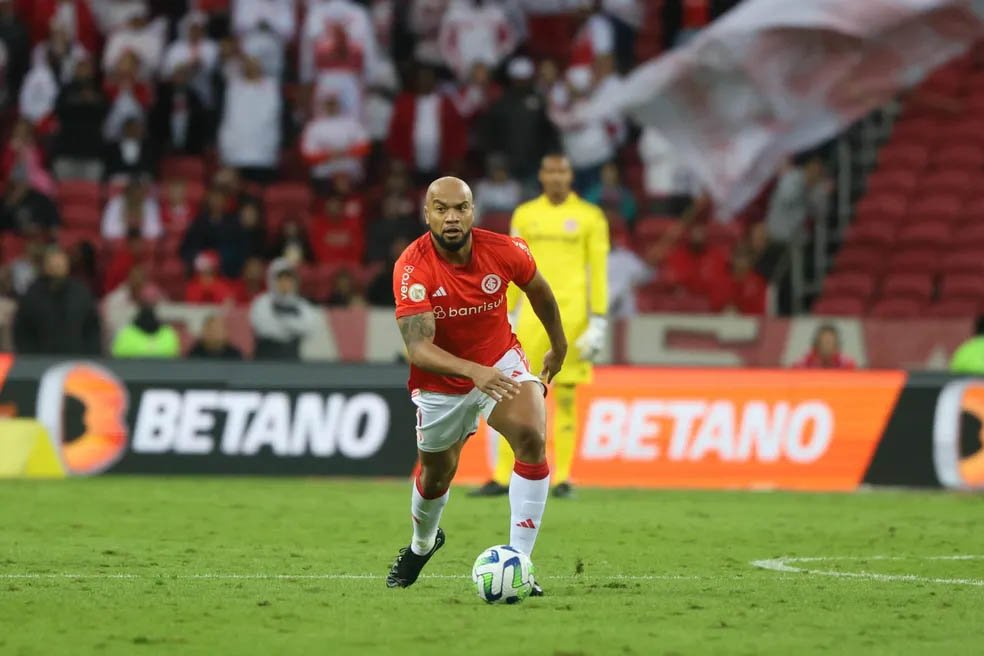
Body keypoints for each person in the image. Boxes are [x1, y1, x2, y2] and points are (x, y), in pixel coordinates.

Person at [385, 176, 566, 593]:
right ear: (426, 213)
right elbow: (418, 348)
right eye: (441, 208)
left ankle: (520, 561)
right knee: (436, 476)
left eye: (460, 208)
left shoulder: (504, 250)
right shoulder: (412, 267)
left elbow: (540, 293)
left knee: (531, 434)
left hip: (499, 360)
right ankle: (422, 543)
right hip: (440, 383)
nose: (451, 217)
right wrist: (472, 372)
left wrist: (558, 346)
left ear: (472, 211)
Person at [476, 154, 609, 499]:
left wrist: (599, 319)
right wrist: (503, 312)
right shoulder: (525, 215)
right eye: (550, 171)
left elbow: (598, 269)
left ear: (570, 175)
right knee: (512, 393)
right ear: (541, 175)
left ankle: (563, 477)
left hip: (573, 319)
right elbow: (510, 265)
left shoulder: (590, 217)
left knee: (564, 398)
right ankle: (503, 475)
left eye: (562, 171)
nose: (556, 177)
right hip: (529, 321)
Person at [13, 246, 101, 354]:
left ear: (67, 265)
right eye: (53, 262)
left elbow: (92, 329)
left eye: (61, 262)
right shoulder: (32, 295)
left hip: (76, 361)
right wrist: (31, 359)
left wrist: (91, 356)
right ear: (45, 266)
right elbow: (23, 332)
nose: (57, 266)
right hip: (40, 362)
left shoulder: (81, 293)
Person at [249, 257, 321, 359]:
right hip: (265, 361)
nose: (285, 283)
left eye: (288, 279)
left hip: (292, 361)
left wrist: (282, 322)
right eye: (280, 278)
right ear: (272, 280)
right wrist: (292, 328)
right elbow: (264, 328)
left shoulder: (301, 304)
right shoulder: (262, 302)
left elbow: (309, 327)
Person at [111, 285, 180, 358]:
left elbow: (174, 360)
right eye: (146, 297)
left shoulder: (169, 334)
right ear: (138, 300)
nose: (149, 300)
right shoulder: (125, 334)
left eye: (153, 296)